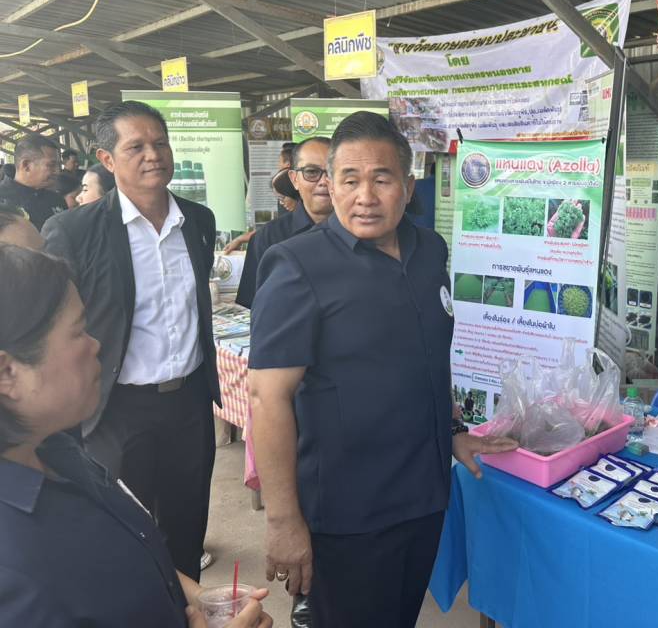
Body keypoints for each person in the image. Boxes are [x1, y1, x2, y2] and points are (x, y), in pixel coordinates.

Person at [247, 112, 517, 628]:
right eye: (349, 180)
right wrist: (282, 519)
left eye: (382, 179)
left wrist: (453, 433)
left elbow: (427, 358)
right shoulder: (298, 265)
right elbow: (267, 396)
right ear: (330, 184)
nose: (365, 196)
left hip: (423, 496)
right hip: (348, 513)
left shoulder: (429, 250)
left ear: (408, 188)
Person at [0, 244, 272, 628]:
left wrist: (195, 596)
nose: (96, 344)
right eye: (78, 332)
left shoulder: (58, 451)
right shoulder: (13, 569)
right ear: (7, 373)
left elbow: (124, 553)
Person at [41, 101, 221, 582]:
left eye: (160, 143)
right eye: (136, 147)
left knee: (186, 531)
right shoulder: (74, 230)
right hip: (117, 410)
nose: (153, 155)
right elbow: (52, 324)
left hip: (189, 405)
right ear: (106, 159)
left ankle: (186, 609)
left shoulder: (198, 221)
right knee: (125, 538)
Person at [235, 137, 332, 309]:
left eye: (332, 172)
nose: (323, 181)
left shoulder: (362, 232)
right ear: (294, 179)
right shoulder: (267, 238)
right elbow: (252, 305)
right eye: (311, 172)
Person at [0, 134, 65, 229]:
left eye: (58, 165)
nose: (57, 171)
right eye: (51, 165)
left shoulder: (56, 199)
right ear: (26, 165)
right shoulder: (3, 201)